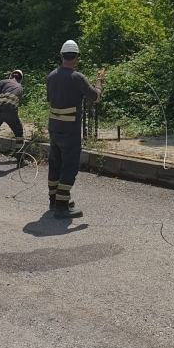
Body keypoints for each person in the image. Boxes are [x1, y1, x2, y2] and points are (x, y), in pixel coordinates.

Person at [46, 40, 103, 218]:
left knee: (55, 163)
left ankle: (54, 201)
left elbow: (50, 98)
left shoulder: (51, 76)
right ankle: (62, 206)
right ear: (77, 58)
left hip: (54, 129)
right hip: (70, 130)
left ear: (61, 56)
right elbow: (95, 97)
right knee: (69, 166)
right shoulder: (77, 77)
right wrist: (99, 81)